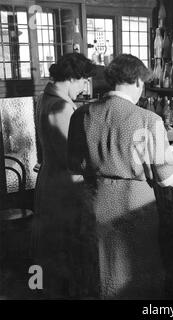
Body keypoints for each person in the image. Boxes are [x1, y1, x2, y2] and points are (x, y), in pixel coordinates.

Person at [67, 54, 173, 299]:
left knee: (101, 269)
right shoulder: (148, 119)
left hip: (95, 201)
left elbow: (74, 165)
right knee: (136, 272)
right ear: (138, 81)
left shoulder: (81, 114)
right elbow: (167, 179)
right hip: (134, 205)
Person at [33, 53, 98, 299]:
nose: (85, 88)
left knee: (55, 250)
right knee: (68, 251)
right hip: (65, 186)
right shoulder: (60, 106)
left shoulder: (47, 98)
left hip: (52, 180)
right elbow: (71, 157)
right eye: (83, 81)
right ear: (71, 78)